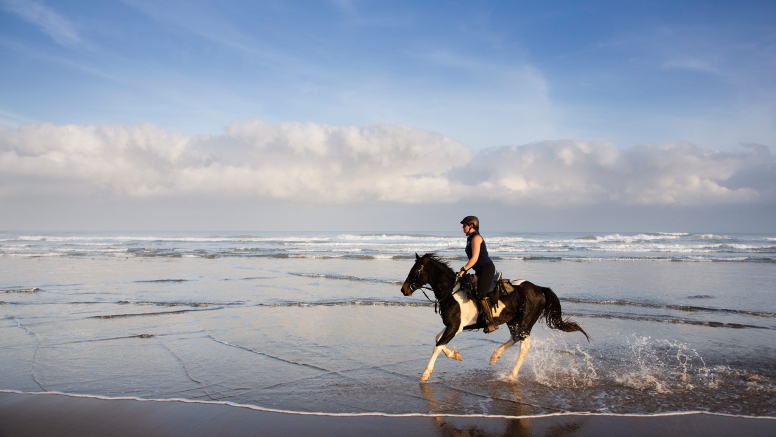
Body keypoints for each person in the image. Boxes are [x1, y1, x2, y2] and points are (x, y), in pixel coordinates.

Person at [456, 216, 498, 333]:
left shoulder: (476, 238)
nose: (463, 227)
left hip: (486, 269)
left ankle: (490, 322)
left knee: (480, 294)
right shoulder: (470, 238)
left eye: (465, 225)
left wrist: (464, 269)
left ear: (472, 225)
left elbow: (474, 258)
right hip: (479, 270)